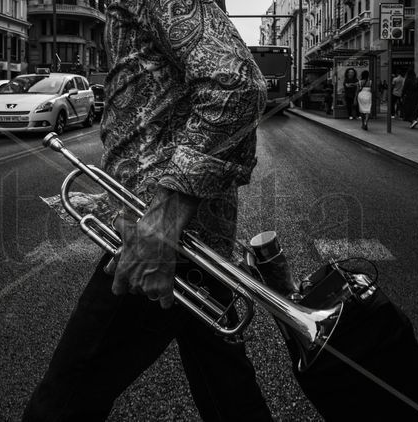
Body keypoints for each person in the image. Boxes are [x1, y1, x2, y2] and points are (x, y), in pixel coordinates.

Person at [23, 2, 273, 421]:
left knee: (63, 399)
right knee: (229, 394)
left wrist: (163, 220)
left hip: (156, 241)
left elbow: (237, 85)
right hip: (187, 245)